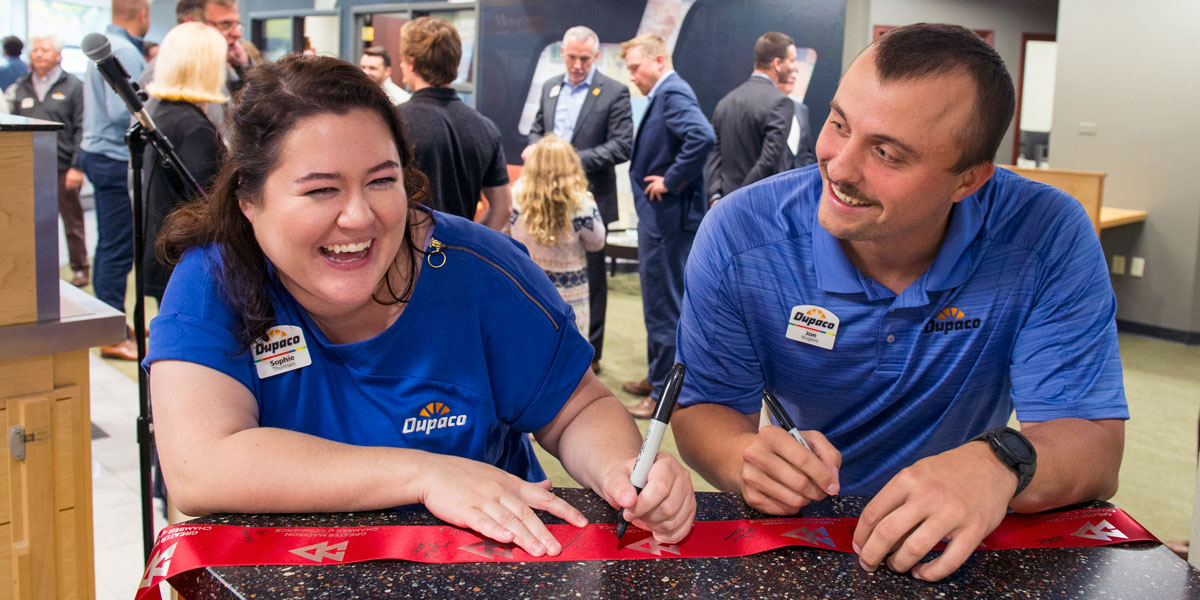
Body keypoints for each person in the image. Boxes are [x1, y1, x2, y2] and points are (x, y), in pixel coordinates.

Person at [145, 55, 695, 553]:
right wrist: (427, 474)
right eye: (320, 190)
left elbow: (576, 409)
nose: (359, 216)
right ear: (248, 200)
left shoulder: (479, 270)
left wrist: (623, 471)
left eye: (382, 181)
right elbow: (201, 466)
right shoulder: (215, 278)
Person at [670, 23, 1127, 582]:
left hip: (962, 539)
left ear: (969, 181)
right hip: (798, 539)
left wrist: (997, 461)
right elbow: (703, 409)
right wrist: (744, 461)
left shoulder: (1045, 233)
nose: (838, 167)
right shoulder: (740, 235)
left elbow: (1095, 448)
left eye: (887, 153)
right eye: (839, 123)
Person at [523, 25, 633, 375]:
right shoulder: (549, 86)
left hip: (590, 198)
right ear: (563, 54)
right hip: (545, 200)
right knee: (542, 271)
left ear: (596, 56)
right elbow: (536, 129)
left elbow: (621, 145)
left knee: (593, 279)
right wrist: (539, 148)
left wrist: (566, 162)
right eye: (571, 57)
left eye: (584, 58)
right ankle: (544, 341)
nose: (577, 64)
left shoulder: (614, 92)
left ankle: (592, 353)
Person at [618, 34, 714, 418]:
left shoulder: (672, 92)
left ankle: (662, 393)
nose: (632, 77)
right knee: (661, 303)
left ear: (658, 60)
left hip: (667, 219)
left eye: (635, 68)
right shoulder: (667, 92)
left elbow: (702, 136)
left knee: (663, 306)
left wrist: (670, 180)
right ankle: (658, 378)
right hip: (664, 220)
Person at [80, 0, 151, 361]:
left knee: (111, 243)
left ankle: (116, 323)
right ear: (142, 14)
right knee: (118, 248)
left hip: (100, 157)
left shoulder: (111, 46)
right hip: (114, 160)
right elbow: (121, 110)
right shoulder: (123, 52)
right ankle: (112, 333)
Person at [397, 17, 510, 230]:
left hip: (406, 255)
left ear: (411, 63)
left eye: (402, 60)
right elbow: (503, 207)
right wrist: (467, 244)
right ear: (456, 63)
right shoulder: (485, 127)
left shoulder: (393, 123)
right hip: (456, 256)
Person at [142, 22, 226, 303]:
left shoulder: (162, 113)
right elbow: (212, 201)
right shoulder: (192, 129)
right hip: (187, 258)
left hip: (165, 248)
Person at [9, 34, 89, 288]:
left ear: (58, 55)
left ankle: (80, 268)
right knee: (29, 222)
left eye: (44, 50)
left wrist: (77, 166)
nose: (38, 54)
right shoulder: (22, 85)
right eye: (35, 50)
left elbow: (81, 128)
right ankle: (34, 269)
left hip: (62, 166)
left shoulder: (73, 86)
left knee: (72, 222)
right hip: (28, 166)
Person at [509, 135, 606, 333]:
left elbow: (503, 234)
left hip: (526, 288)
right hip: (570, 296)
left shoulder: (516, 195)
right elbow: (597, 242)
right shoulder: (581, 203)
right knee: (571, 353)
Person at [704, 32, 794, 204]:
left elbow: (714, 154)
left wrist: (715, 195)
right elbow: (769, 161)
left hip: (723, 205)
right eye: (791, 60)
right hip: (759, 205)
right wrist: (739, 199)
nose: (793, 66)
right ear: (777, 63)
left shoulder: (726, 102)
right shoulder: (781, 102)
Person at [140, 0, 251, 129]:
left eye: (237, 24)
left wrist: (244, 66)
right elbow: (149, 134)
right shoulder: (164, 70)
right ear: (191, 24)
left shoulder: (219, 68)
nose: (237, 34)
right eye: (225, 24)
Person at [777, 64, 817, 170]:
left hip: (800, 177)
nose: (793, 76)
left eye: (796, 72)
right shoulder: (764, 108)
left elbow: (807, 150)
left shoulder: (801, 109)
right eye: (789, 72)